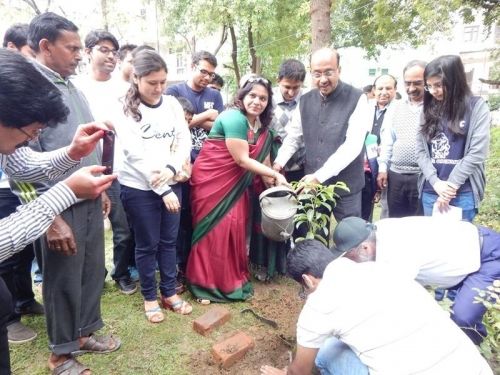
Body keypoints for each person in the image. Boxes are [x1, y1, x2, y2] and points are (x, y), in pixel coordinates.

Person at [11, 13, 121, 374]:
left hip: (87, 194)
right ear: (45, 46)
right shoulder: (28, 88)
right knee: (61, 278)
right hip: (54, 204)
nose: (79, 54)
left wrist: (100, 189)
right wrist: (51, 217)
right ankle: (61, 353)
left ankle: (85, 332)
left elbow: (78, 146)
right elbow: (20, 166)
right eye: (71, 47)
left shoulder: (71, 86)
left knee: (91, 269)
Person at [260, 239, 493, 375]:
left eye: (304, 289)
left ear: (308, 280)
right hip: (471, 367)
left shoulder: (318, 306)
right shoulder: (383, 269)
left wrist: (285, 372)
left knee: (327, 351)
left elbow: (300, 371)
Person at [186, 76, 288, 302]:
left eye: (263, 98)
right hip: (213, 184)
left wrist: (276, 182)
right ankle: (204, 284)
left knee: (234, 229)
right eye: (252, 96)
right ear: (242, 96)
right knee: (215, 230)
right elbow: (242, 159)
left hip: (238, 187)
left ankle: (230, 279)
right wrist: (274, 174)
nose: (257, 102)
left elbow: (265, 162)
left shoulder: (262, 128)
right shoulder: (233, 117)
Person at [331, 216, 500, 345]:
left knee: (463, 318)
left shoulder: (398, 251)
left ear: (365, 247)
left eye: (351, 257)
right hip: (460, 259)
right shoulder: (374, 233)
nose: (352, 262)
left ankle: (472, 356)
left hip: (486, 257)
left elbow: (395, 302)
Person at [115, 50, 192, 323]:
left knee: (169, 242)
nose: (158, 88)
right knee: (148, 244)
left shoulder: (170, 104)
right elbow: (135, 156)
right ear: (136, 79)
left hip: (171, 181)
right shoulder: (125, 109)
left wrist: (172, 169)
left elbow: (184, 139)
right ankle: (149, 297)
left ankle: (169, 293)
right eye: (151, 82)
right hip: (139, 188)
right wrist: (165, 190)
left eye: (163, 81)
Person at [273, 48, 369, 237]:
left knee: (352, 238)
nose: (323, 79)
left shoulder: (358, 98)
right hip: (313, 186)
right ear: (311, 72)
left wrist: (319, 176)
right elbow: (294, 136)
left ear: (338, 70)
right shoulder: (306, 100)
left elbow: (353, 146)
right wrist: (279, 162)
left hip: (346, 185)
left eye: (328, 72)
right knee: (313, 235)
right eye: (317, 74)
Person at [76, 29, 137, 295]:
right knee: (90, 231)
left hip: (120, 170)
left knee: (123, 229)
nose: (111, 56)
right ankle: (93, 276)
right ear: (88, 52)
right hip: (86, 169)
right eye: (103, 50)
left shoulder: (126, 89)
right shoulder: (76, 87)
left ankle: (121, 272)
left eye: (114, 52)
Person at [1, 22, 44, 345]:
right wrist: (64, 195)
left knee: (22, 258)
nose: (31, 138)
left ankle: (21, 301)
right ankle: (12, 315)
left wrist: (72, 153)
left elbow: (28, 163)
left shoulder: (10, 146)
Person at [250, 59, 307, 281]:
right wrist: (267, 171)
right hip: (269, 167)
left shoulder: (307, 101)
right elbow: (259, 136)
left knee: (293, 214)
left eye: (296, 87)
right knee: (269, 214)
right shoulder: (266, 100)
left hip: (299, 167)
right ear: (279, 81)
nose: (291, 92)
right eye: (286, 87)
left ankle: (290, 263)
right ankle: (264, 265)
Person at [416, 55, 491, 221]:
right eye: (429, 86)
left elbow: (477, 152)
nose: (434, 91)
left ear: (455, 81)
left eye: (438, 85)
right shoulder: (427, 109)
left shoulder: (476, 107)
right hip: (432, 191)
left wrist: (450, 186)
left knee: (460, 245)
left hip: (463, 192)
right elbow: (421, 151)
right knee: (435, 244)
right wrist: (436, 183)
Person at [377, 60, 427, 218]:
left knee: (419, 222)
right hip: (395, 176)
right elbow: (387, 140)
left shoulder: (435, 107)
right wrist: (383, 168)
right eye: (408, 83)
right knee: (395, 222)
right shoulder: (395, 107)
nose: (411, 88)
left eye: (417, 83)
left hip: (422, 176)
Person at [361, 74, 397, 221]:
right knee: (365, 205)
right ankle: (366, 237)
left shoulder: (399, 109)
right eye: (380, 88)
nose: (384, 92)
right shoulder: (366, 107)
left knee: (387, 206)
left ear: (395, 90)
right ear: (374, 90)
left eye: (388, 88)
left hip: (389, 163)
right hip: (366, 166)